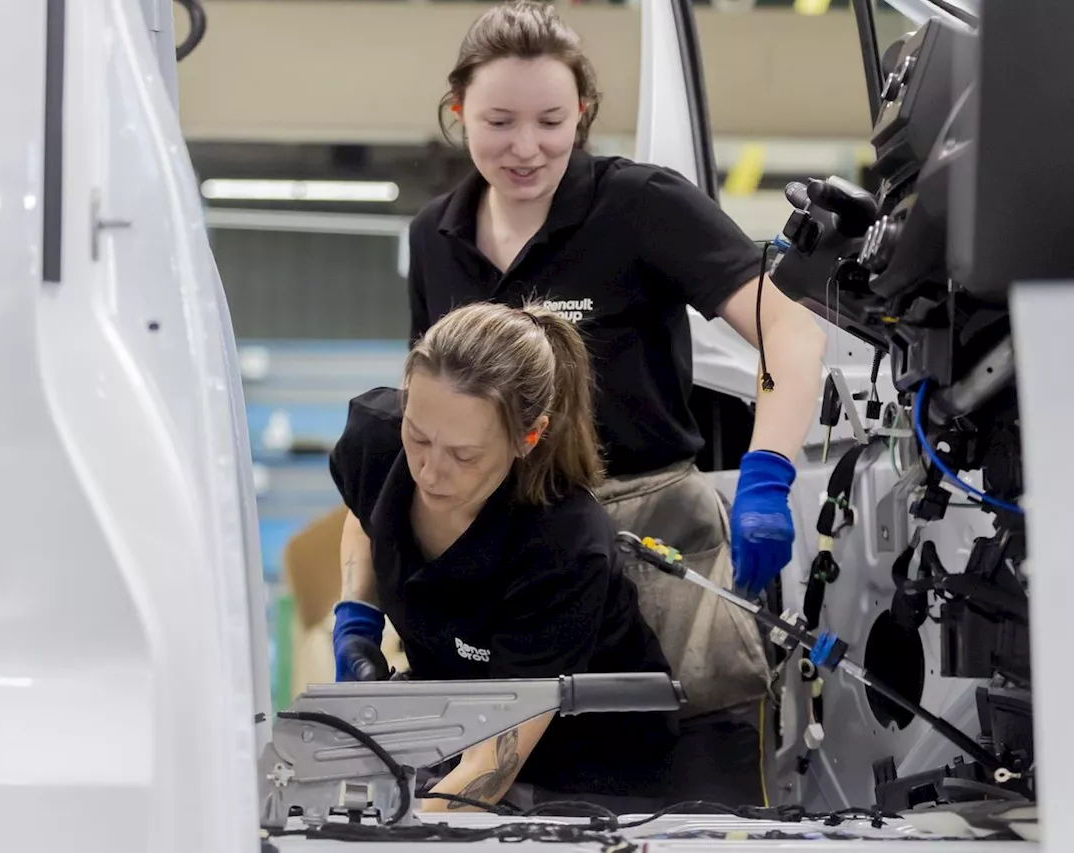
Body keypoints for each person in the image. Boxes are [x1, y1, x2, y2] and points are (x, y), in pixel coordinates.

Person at [401, 0, 828, 806]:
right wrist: (373, 598)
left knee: (698, 804)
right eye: (498, 121)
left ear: (585, 114)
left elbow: (789, 330)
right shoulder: (435, 236)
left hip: (655, 551)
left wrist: (770, 467)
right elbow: (423, 413)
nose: (526, 147)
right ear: (457, 113)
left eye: (552, 121)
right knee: (495, 803)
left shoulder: (640, 206)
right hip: (512, 569)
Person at [329, 300, 679, 813]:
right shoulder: (376, 437)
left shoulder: (562, 546)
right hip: (455, 725)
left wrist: (382, 842)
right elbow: (365, 511)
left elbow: (489, 769)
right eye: (418, 437)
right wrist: (357, 618)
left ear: (527, 438)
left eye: (464, 455)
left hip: (589, 773)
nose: (428, 472)